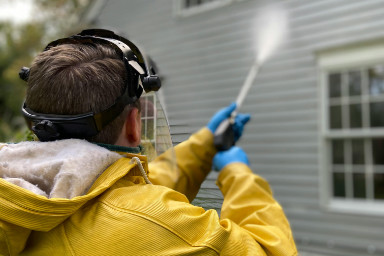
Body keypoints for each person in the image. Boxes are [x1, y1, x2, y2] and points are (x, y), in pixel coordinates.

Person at [0, 29, 297, 255]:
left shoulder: (25, 191)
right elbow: (269, 249)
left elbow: (127, 192)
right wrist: (237, 173)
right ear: (133, 124)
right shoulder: (152, 227)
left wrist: (206, 144)